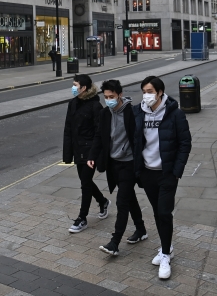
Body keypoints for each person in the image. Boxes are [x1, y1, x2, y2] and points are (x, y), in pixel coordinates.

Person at [133, 76, 192, 280]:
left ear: (160, 92)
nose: (146, 95)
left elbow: (185, 143)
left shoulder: (174, 114)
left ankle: (165, 254)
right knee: (158, 213)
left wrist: (176, 171)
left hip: (167, 173)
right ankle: (167, 246)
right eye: (144, 91)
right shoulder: (138, 112)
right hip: (147, 172)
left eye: (150, 91)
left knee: (164, 212)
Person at [87, 80, 147, 257]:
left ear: (120, 95)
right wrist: (92, 156)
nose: (108, 101)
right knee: (129, 197)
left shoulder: (132, 112)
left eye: (111, 97)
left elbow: (139, 138)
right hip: (114, 164)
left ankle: (115, 242)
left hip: (129, 163)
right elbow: (99, 136)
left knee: (122, 202)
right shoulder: (105, 113)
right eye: (105, 97)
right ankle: (141, 229)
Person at [63, 74, 110, 233]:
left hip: (90, 151)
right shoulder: (73, 104)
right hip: (78, 149)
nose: (73, 87)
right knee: (86, 181)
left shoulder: (95, 107)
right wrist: (68, 153)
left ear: (84, 88)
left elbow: (100, 132)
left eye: (75, 85)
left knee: (85, 183)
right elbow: (68, 129)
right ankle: (103, 201)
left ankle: (82, 218)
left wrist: (96, 154)